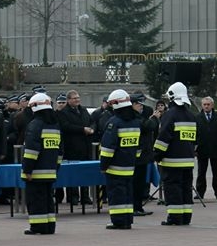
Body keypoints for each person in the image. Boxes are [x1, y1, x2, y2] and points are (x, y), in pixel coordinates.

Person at [154, 82, 197, 226]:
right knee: (186, 189)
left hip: (172, 161)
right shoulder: (191, 116)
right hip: (188, 161)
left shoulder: (169, 115)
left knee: (173, 189)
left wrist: (157, 155)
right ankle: (186, 217)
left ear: (172, 97)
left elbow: (164, 138)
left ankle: (175, 218)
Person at [99, 89, 141, 230]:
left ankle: (118, 221)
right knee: (128, 194)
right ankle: (127, 220)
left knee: (117, 195)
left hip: (115, 167)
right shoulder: (135, 122)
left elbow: (108, 148)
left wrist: (103, 166)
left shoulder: (114, 122)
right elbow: (138, 147)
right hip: (130, 166)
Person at [21, 93, 61, 235]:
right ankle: (50, 226)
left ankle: (38, 227)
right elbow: (60, 150)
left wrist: (27, 169)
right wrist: (56, 167)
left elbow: (31, 150)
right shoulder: (55, 125)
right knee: (48, 199)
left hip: (36, 171)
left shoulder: (35, 125)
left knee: (36, 200)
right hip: (50, 170)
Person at [56, 88, 95, 206]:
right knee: (72, 172)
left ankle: (85, 196)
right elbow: (66, 126)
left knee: (84, 172)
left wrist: (92, 128)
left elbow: (92, 121)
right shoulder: (64, 113)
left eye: (78, 98)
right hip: (72, 146)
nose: (77, 100)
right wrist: (82, 129)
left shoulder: (83, 110)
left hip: (85, 146)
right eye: (74, 98)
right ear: (68, 100)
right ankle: (73, 197)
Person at [132, 93, 159, 216]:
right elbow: (148, 126)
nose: (141, 107)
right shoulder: (133, 117)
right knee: (136, 183)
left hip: (143, 156)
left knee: (141, 183)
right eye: (138, 104)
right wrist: (154, 118)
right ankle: (135, 207)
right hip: (137, 157)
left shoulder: (138, 115)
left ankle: (138, 207)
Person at [194, 95, 217, 200]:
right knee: (201, 172)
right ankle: (200, 192)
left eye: (208, 104)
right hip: (202, 149)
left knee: (216, 172)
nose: (206, 106)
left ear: (212, 105)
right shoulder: (197, 118)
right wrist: (195, 148)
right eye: (204, 104)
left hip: (215, 149)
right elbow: (195, 134)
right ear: (202, 106)